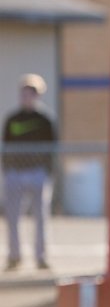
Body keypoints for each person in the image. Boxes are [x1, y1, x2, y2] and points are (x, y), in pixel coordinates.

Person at [2, 74, 56, 271]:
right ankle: (14, 256)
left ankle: (41, 257)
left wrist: (48, 172)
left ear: (37, 96)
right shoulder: (12, 119)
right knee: (13, 217)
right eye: (24, 93)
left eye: (31, 93)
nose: (27, 97)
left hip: (37, 173)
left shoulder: (45, 120)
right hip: (15, 173)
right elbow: (6, 146)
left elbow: (52, 149)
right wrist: (7, 169)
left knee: (40, 217)